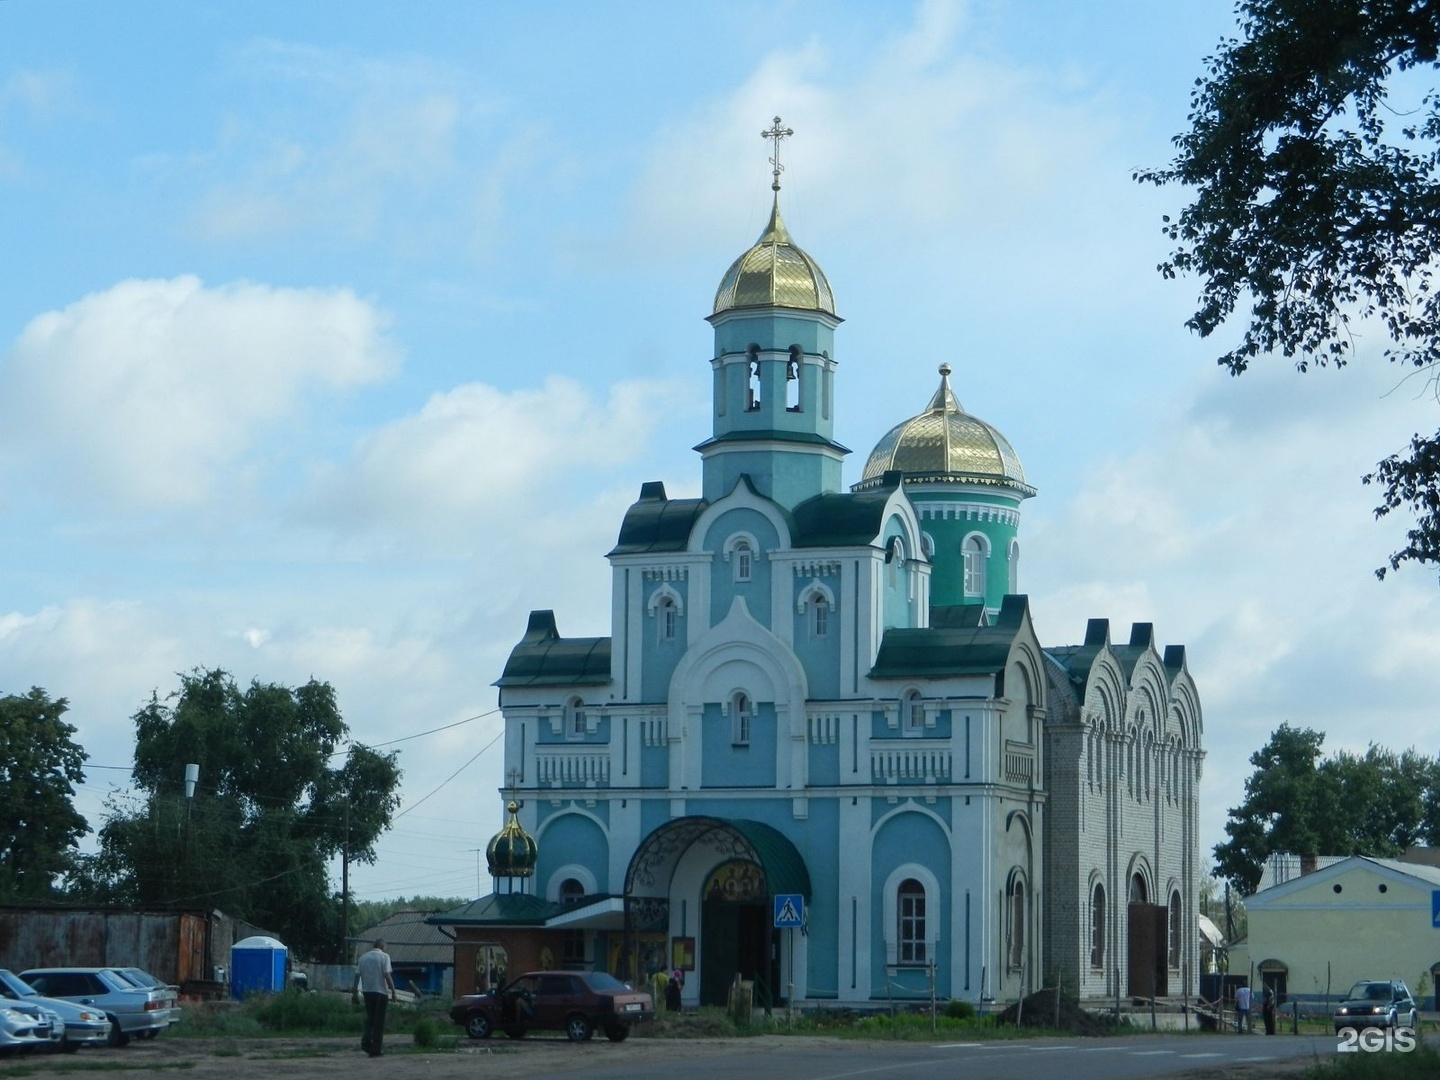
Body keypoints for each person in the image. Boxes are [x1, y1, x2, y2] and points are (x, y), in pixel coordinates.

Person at [351, 939, 397, 1057]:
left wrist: (355, 992)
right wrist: (393, 991)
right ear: (383, 946)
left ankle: (366, 1043)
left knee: (371, 1019)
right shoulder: (384, 957)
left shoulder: (364, 957)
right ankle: (375, 1049)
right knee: (379, 1022)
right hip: (381, 992)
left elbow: (357, 975)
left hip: (367, 992)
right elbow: (387, 974)